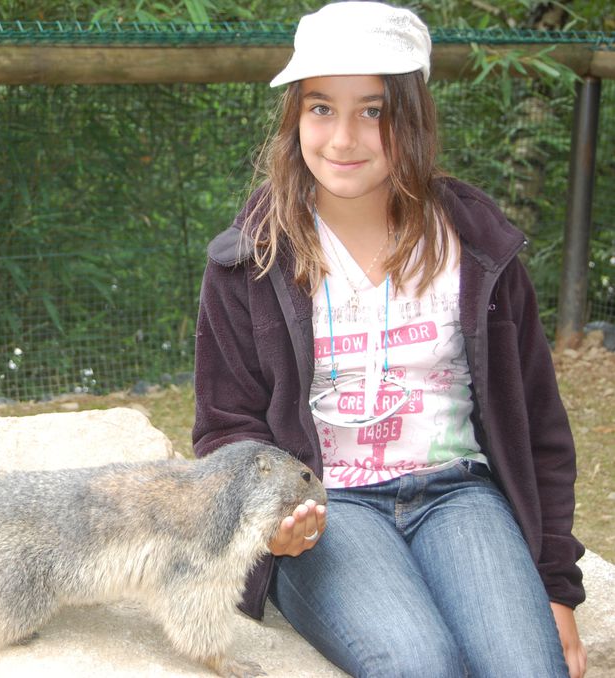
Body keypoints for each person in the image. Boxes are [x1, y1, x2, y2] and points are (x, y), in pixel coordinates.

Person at [191, 2, 588, 676]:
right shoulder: (249, 259)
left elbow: (541, 426)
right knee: (420, 663)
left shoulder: (478, 246)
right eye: (321, 108)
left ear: (413, 116)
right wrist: (275, 520)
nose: (343, 138)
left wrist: (555, 588)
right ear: (293, 117)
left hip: (460, 493)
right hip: (329, 505)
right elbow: (225, 427)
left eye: (373, 111)